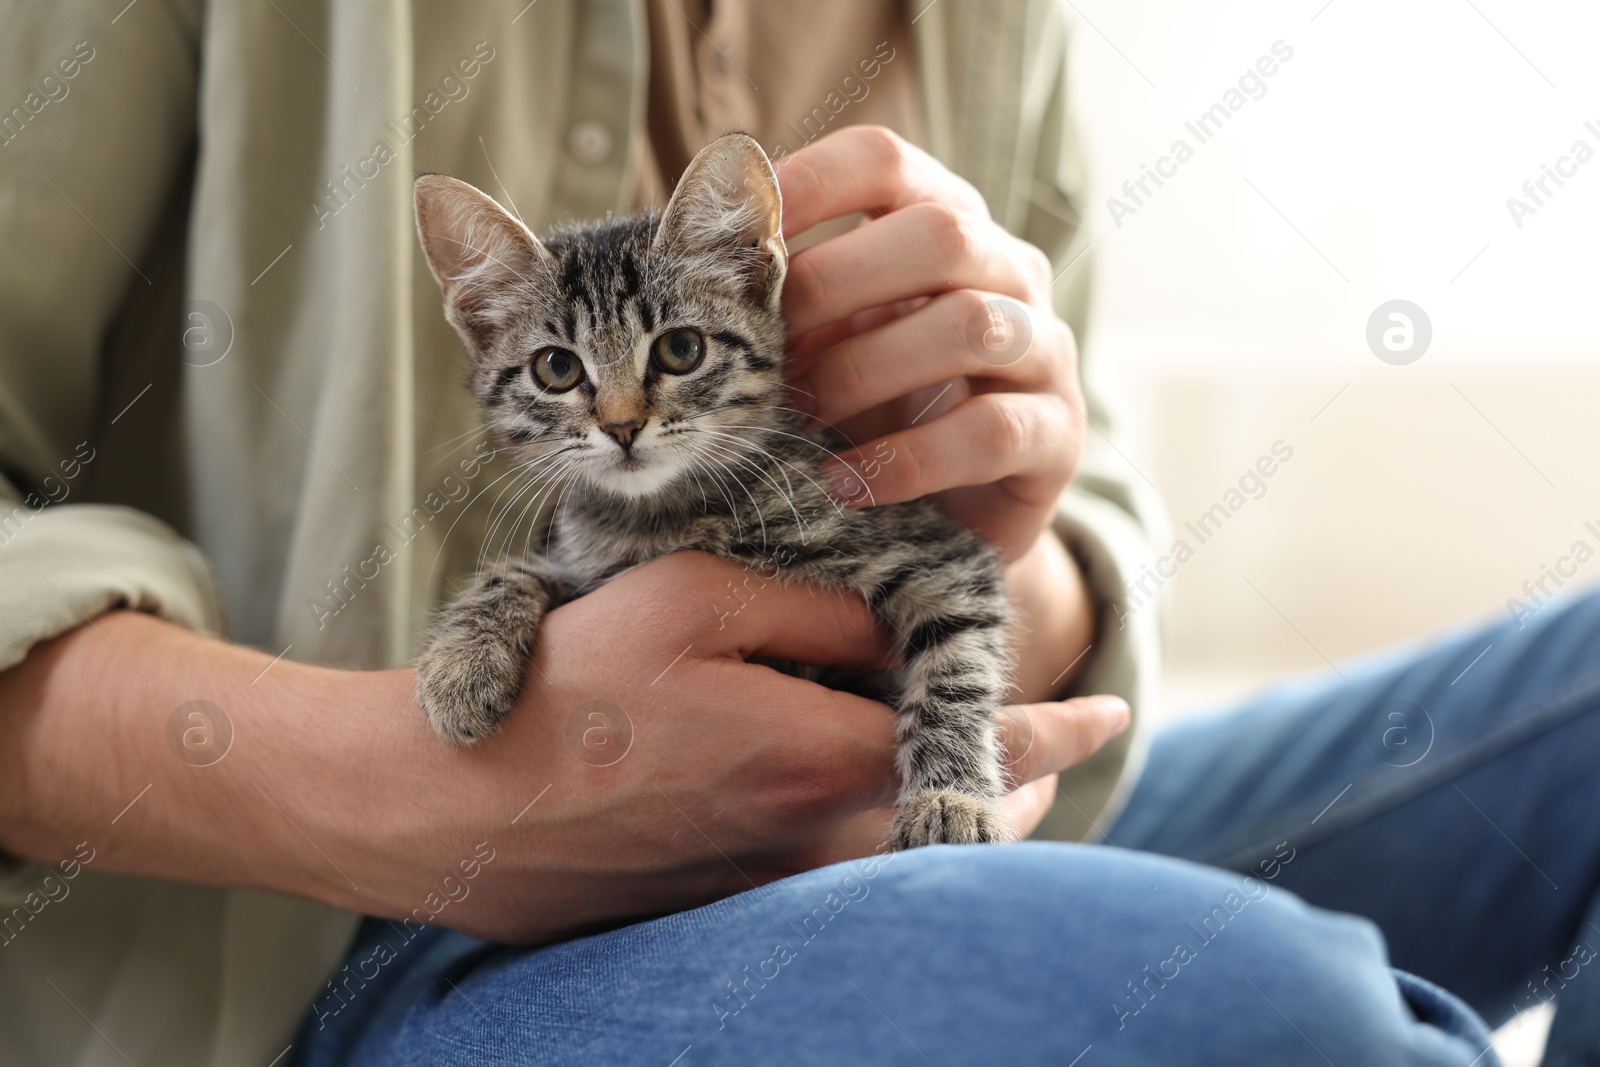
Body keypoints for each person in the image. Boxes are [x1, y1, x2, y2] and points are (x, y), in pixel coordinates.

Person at [0, 3, 1591, 1065]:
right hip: (374, 947)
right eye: (567, 374)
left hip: (945, 779)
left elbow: (1063, 535)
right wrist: (430, 792)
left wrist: (1013, 537)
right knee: (1285, 1014)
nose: (619, 415)